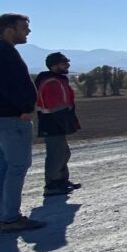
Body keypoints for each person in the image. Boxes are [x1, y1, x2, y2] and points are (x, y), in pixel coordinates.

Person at [0, 13, 45, 233]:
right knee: (16, 167)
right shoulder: (4, 54)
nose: (28, 31)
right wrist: (25, 108)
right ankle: (10, 218)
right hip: (10, 119)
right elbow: (11, 87)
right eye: (24, 27)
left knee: (2, 166)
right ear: (9, 30)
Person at [35, 52, 82, 196]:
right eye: (63, 63)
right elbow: (55, 106)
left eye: (67, 62)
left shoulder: (58, 79)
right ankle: (52, 185)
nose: (67, 65)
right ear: (54, 66)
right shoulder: (51, 82)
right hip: (52, 123)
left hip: (57, 122)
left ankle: (61, 181)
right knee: (56, 154)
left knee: (63, 153)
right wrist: (64, 122)